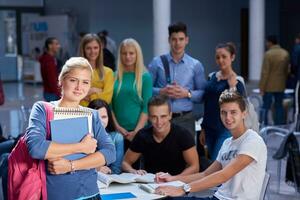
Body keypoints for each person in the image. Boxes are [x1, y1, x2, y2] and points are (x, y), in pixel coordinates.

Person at [26, 57, 116, 200]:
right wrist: (81, 147)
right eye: (73, 80)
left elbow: (110, 153)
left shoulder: (92, 115)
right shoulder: (43, 109)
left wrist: (70, 166)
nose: (79, 87)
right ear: (61, 80)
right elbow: (36, 148)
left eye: (85, 82)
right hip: (56, 194)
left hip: (91, 194)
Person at [155, 90, 267, 200]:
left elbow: (223, 175)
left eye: (233, 112)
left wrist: (183, 189)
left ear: (244, 114)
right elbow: (205, 174)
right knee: (164, 197)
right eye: (224, 112)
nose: (228, 117)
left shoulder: (253, 141)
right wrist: (173, 179)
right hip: (217, 197)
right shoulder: (227, 143)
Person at [148, 22, 206, 136]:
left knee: (186, 153)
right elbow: (145, 90)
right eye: (174, 39)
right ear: (169, 40)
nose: (177, 43)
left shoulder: (195, 65)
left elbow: (203, 94)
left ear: (187, 40)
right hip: (160, 120)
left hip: (185, 118)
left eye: (181, 39)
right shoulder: (156, 62)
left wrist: (187, 93)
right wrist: (161, 92)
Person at [122, 95, 199, 176]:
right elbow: (125, 163)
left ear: (170, 115)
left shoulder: (183, 135)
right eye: (154, 117)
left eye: (163, 116)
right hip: (151, 183)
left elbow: (195, 167)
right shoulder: (142, 135)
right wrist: (133, 171)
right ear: (148, 117)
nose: (159, 122)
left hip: (177, 183)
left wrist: (174, 178)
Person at [199, 42, 245, 160]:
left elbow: (239, 108)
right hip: (209, 128)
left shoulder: (237, 82)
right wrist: (203, 128)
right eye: (218, 57)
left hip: (225, 129)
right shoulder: (212, 77)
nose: (220, 60)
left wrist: (232, 87)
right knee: (212, 163)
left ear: (232, 57)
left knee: (217, 163)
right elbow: (207, 104)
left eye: (224, 57)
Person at [111, 38, 152, 150]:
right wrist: (117, 127)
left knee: (135, 167)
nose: (128, 56)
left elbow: (146, 108)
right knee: (117, 166)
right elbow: (110, 106)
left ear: (137, 55)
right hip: (117, 132)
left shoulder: (145, 77)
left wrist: (136, 132)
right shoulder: (113, 76)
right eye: (124, 53)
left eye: (131, 53)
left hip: (139, 132)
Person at [259, 35, 290, 125]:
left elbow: (265, 72)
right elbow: (287, 70)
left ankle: (263, 124)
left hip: (269, 85)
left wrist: (261, 87)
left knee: (265, 106)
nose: (266, 44)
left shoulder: (268, 54)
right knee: (279, 106)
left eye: (266, 42)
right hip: (281, 85)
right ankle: (279, 125)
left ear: (270, 42)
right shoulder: (285, 53)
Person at [88, 99, 124, 174]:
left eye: (104, 117)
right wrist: (96, 169)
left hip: (108, 179)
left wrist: (107, 171)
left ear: (109, 118)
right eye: (96, 118)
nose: (100, 121)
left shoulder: (117, 138)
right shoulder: (82, 137)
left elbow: (116, 170)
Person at [79, 33, 114, 106]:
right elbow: (71, 95)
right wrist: (95, 91)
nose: (92, 51)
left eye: (95, 48)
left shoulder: (108, 73)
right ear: (83, 50)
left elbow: (107, 98)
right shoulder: (75, 72)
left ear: (100, 49)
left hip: (99, 114)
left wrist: (86, 95)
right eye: (88, 48)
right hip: (80, 114)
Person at [39, 37, 61, 102]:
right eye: (56, 44)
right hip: (52, 93)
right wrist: (58, 93)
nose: (58, 46)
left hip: (49, 92)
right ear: (50, 46)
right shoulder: (48, 61)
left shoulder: (48, 58)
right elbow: (51, 80)